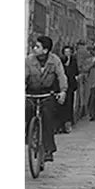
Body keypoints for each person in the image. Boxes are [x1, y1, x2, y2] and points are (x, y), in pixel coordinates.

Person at [25, 34, 67, 162]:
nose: (34, 48)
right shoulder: (28, 60)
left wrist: (63, 91)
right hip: (31, 92)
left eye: (37, 46)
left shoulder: (55, 60)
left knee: (48, 117)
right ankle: (29, 136)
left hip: (47, 93)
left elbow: (61, 76)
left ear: (45, 50)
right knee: (26, 111)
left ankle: (49, 149)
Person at [59, 43, 78, 133]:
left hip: (70, 85)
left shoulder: (74, 60)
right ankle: (61, 124)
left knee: (69, 104)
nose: (67, 53)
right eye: (65, 52)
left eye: (69, 52)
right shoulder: (60, 60)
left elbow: (76, 71)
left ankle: (68, 123)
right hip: (61, 85)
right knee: (61, 105)